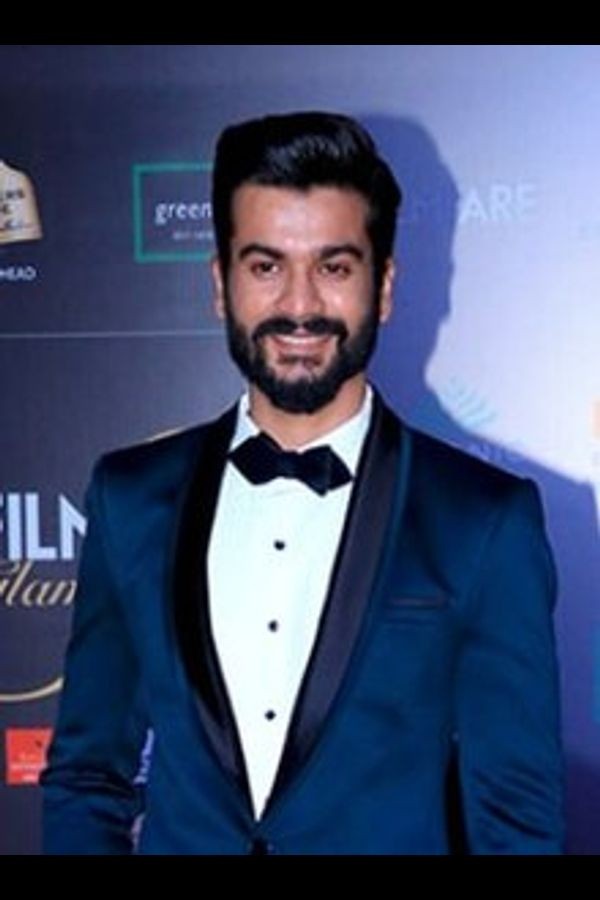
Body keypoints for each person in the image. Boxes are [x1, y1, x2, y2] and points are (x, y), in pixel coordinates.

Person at [41, 111, 564, 854]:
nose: (299, 305)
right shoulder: (129, 499)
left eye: (333, 267)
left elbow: (515, 820)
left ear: (384, 286)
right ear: (220, 284)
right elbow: (88, 775)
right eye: (266, 266)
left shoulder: (483, 519)